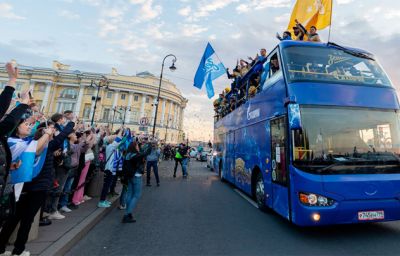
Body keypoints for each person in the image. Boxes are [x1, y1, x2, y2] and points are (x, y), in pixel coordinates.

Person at [0, 117, 66, 256]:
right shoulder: (14, 142)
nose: (30, 127)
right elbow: (35, 150)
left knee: (15, 218)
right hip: (16, 187)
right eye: (26, 124)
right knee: (20, 219)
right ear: (16, 128)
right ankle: (17, 251)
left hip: (20, 187)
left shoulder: (23, 141)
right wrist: (48, 134)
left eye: (30, 125)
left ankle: (7, 248)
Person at [121, 141, 144, 223]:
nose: (138, 147)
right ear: (135, 147)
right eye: (137, 146)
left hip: (129, 176)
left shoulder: (127, 155)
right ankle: (127, 214)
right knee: (137, 195)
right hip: (136, 176)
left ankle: (128, 213)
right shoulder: (136, 155)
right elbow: (142, 158)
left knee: (130, 194)